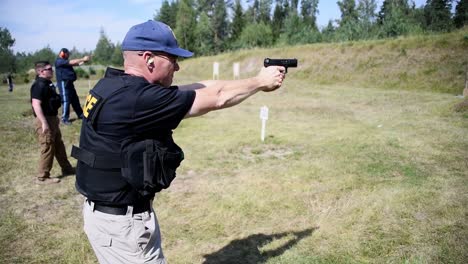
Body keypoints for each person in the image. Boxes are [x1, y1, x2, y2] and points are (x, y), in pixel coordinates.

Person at [72, 20, 285, 264]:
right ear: (149, 58)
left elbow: (200, 88)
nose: (177, 67)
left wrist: (253, 79)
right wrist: (259, 82)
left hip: (109, 217)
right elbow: (217, 98)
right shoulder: (140, 100)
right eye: (172, 59)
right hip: (124, 227)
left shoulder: (112, 86)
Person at [30, 61, 75, 184]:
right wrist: (44, 122)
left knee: (59, 146)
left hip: (51, 118)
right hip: (44, 119)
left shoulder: (48, 83)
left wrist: (54, 119)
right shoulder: (39, 85)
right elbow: (36, 104)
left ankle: (67, 169)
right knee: (48, 146)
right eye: (49, 69)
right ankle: (42, 177)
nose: (52, 71)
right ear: (40, 71)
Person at [55, 48, 90, 125]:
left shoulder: (64, 62)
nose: (68, 55)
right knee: (66, 100)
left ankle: (80, 115)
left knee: (75, 99)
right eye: (67, 54)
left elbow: (76, 64)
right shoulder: (59, 61)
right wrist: (82, 58)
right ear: (62, 53)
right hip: (64, 83)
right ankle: (64, 119)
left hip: (69, 83)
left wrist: (84, 61)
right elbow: (72, 61)